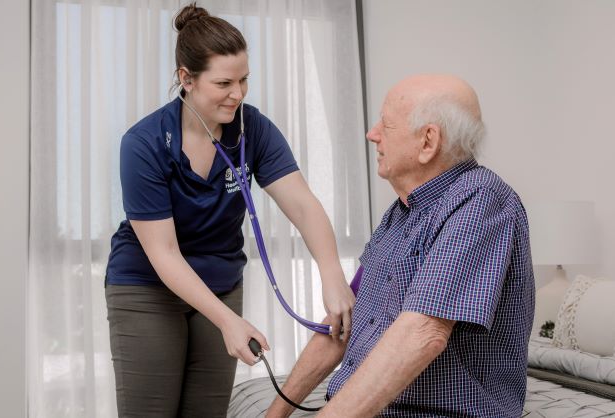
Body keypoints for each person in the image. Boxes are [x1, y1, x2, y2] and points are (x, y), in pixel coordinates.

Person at [104, 4, 355, 417]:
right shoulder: (143, 143)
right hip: (147, 287)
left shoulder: (252, 128)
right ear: (186, 79)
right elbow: (164, 253)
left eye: (244, 80)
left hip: (220, 281)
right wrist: (227, 321)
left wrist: (332, 276)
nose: (238, 94)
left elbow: (304, 206)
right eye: (224, 82)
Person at [266, 74, 535, 417]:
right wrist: (273, 415)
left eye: (386, 125)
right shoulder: (401, 213)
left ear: (428, 142)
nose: (372, 133)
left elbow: (423, 333)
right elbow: (344, 324)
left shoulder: (481, 201)